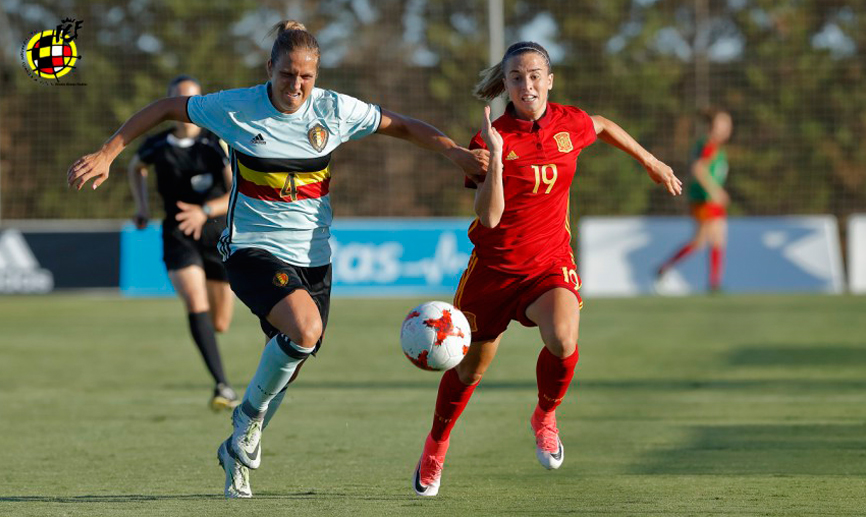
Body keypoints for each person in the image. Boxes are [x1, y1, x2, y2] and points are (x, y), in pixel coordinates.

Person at [68, 20, 487, 499]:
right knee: (304, 331)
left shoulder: (335, 110)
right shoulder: (236, 108)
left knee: (290, 362)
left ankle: (236, 454)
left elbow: (404, 126)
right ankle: (245, 421)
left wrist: (455, 153)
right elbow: (166, 108)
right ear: (270, 68)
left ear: (317, 74)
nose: (296, 86)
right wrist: (108, 152)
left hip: (314, 259)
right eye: (287, 74)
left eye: (306, 76)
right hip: (250, 249)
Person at [411, 41, 682, 497]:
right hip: (493, 271)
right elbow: (490, 217)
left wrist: (651, 162)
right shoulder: (490, 138)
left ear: (549, 80)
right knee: (469, 371)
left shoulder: (569, 123)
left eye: (535, 74)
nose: (527, 84)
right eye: (517, 76)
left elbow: (604, 125)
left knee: (563, 336)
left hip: (549, 264)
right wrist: (496, 159)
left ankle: (544, 415)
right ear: (507, 85)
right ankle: (436, 446)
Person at [128, 75, 239, 412]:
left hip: (217, 237)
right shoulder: (157, 145)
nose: (184, 109)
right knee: (195, 301)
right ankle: (223, 385)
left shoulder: (215, 142)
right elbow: (136, 167)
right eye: (177, 101)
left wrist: (204, 211)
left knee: (220, 322)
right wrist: (142, 206)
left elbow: (237, 192)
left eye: (191, 101)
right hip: (177, 235)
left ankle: (220, 375)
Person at [656, 109, 732, 292]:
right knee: (702, 240)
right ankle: (665, 268)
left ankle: (714, 283)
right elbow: (698, 168)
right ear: (713, 126)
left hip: (710, 199)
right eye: (724, 124)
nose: (728, 128)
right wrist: (715, 191)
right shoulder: (708, 145)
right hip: (704, 199)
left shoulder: (714, 146)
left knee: (716, 239)